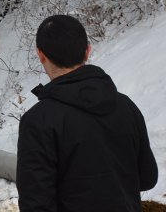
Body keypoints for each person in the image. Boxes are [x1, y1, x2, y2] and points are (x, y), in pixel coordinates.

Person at [17, 14, 158, 211]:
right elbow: (148, 178)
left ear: (41, 55)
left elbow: (35, 203)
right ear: (87, 51)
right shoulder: (127, 106)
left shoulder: (38, 121)